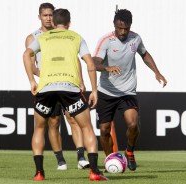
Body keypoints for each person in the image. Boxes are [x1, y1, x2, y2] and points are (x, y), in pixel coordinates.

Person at [23, 8, 108, 181]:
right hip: (69, 87)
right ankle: (94, 172)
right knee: (86, 127)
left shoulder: (42, 37)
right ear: (69, 23)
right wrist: (93, 90)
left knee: (39, 128)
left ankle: (39, 173)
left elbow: (26, 54)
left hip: (46, 88)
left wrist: (32, 81)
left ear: (53, 22)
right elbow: (90, 64)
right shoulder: (76, 37)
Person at [92, 9, 167, 171]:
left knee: (133, 125)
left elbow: (145, 55)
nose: (122, 32)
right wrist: (107, 67)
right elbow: (94, 62)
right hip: (106, 92)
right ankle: (111, 160)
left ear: (130, 26)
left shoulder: (135, 38)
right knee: (104, 130)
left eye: (125, 28)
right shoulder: (106, 40)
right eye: (119, 28)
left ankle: (129, 152)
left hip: (128, 91)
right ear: (114, 25)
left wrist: (157, 72)